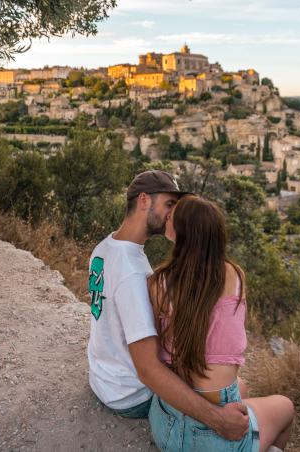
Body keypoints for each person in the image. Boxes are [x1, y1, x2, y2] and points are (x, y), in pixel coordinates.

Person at [87, 170, 250, 441]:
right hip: (130, 395)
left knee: (236, 389)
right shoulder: (135, 275)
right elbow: (149, 370)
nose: (172, 214)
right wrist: (218, 420)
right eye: (169, 204)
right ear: (143, 201)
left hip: (103, 378)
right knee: (232, 395)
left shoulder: (104, 247)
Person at [148, 195, 294, 452]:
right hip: (210, 439)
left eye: (172, 217)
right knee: (286, 407)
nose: (167, 218)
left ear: (182, 233)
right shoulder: (235, 275)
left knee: (243, 387)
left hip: (166, 422)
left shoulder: (158, 283)